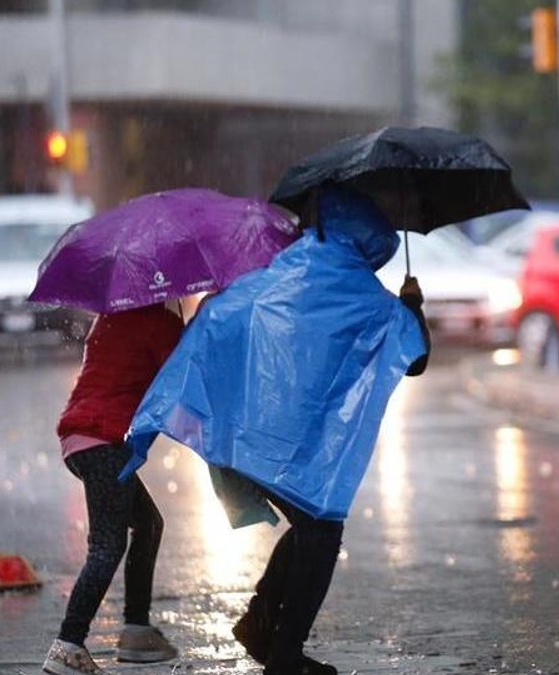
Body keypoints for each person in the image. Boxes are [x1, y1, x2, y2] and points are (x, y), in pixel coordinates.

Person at [122, 187, 431, 675]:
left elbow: (223, 316)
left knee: (315, 526)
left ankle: (264, 627)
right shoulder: (357, 288)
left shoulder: (281, 270)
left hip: (244, 440)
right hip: (285, 451)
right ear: (370, 235)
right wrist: (412, 307)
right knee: (321, 530)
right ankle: (282, 651)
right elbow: (414, 358)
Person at [42, 301, 184, 675]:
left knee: (148, 523)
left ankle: (137, 631)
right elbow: (181, 377)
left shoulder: (110, 316)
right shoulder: (159, 323)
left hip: (81, 438)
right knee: (107, 546)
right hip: (103, 441)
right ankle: (67, 645)